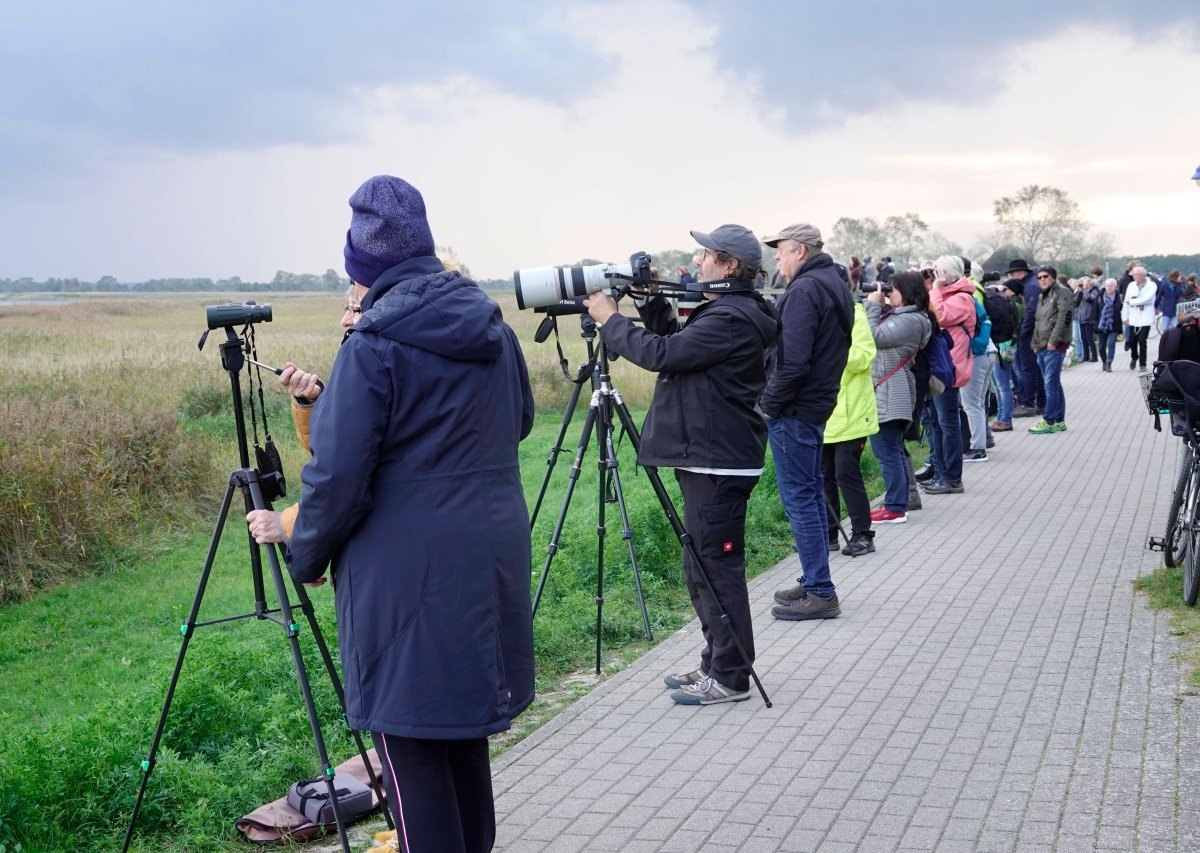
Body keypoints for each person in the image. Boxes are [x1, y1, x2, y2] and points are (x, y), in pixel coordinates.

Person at [247, 175, 535, 853]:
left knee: (409, 754)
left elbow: (336, 479)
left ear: (361, 269)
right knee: (463, 742)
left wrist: (303, 555)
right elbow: (518, 419)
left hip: (407, 587)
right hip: (487, 562)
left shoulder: (373, 346)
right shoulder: (490, 327)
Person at [583, 224, 778, 706]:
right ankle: (718, 659)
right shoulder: (729, 313)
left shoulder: (733, 317)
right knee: (702, 565)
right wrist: (650, 302)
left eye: (707, 256)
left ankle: (731, 676)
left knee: (716, 568)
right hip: (711, 458)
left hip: (719, 462)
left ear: (729, 265)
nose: (698, 264)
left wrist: (611, 319)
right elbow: (680, 344)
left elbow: (661, 353)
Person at [760, 223, 853, 622]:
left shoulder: (805, 289)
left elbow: (792, 361)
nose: (776, 258)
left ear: (799, 250)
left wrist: (767, 404)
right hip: (816, 405)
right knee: (811, 495)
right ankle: (814, 577)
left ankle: (819, 590)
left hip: (796, 410)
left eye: (779, 250)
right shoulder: (833, 281)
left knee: (800, 499)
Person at [865, 272, 932, 524]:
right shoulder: (905, 317)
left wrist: (873, 305)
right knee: (892, 450)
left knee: (887, 453)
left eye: (892, 289)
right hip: (891, 391)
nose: (887, 293)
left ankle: (895, 507)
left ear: (907, 291)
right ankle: (897, 503)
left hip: (891, 394)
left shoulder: (911, 320)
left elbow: (874, 337)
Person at [821, 275, 878, 556]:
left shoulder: (855, 313)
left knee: (847, 474)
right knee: (824, 476)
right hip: (823, 414)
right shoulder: (816, 313)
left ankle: (863, 534)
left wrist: (831, 351)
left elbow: (865, 355)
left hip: (853, 412)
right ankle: (829, 534)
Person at [922, 255, 975, 494]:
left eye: (940, 272)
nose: (936, 276)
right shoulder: (946, 295)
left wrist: (934, 289)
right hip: (940, 368)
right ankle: (942, 474)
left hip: (950, 370)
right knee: (936, 424)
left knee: (947, 423)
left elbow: (940, 317)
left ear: (953, 274)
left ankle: (953, 478)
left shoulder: (962, 298)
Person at [1029, 265, 1072, 434]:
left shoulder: (1063, 292)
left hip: (1054, 345)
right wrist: (1034, 343)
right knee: (1053, 383)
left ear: (1053, 277)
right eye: (1039, 277)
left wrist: (1053, 341)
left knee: (1050, 385)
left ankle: (1049, 420)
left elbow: (1063, 319)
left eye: (1045, 276)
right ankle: (1059, 420)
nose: (1042, 279)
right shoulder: (1042, 296)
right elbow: (1038, 321)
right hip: (1041, 345)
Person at [1006, 259, 1044, 418]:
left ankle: (1028, 403)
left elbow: (1031, 314)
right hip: (1032, 332)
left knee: (1028, 369)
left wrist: (1024, 334)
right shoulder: (1031, 285)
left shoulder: (1031, 287)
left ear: (1021, 272)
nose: (1012, 276)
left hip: (1028, 334)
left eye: (1013, 273)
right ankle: (1041, 402)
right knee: (1034, 369)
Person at [1124, 265, 1157, 371]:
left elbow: (1146, 299)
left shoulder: (1152, 285)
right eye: (1133, 274)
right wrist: (1124, 316)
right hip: (1133, 318)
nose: (1134, 276)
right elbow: (1126, 301)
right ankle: (1134, 357)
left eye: (1136, 274)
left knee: (1142, 341)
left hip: (1145, 318)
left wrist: (1132, 302)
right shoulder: (1131, 285)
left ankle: (1143, 364)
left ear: (1142, 275)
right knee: (1132, 341)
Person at [1095, 278, 1122, 372]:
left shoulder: (1119, 298)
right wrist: (1094, 324)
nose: (1109, 288)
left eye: (1111, 286)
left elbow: (1122, 311)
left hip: (1114, 326)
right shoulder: (1099, 297)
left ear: (1115, 287)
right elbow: (1094, 312)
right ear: (1105, 287)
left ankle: (1109, 362)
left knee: (1111, 344)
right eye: (1107, 286)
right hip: (1101, 326)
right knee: (1101, 347)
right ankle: (1104, 362)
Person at [1076, 276, 1100, 363]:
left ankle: (1094, 357)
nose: (1083, 285)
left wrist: (1085, 290)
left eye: (1085, 283)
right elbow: (1076, 302)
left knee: (1090, 338)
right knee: (1083, 338)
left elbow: (1090, 299)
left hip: (1089, 318)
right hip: (1082, 318)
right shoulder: (1084, 291)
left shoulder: (1095, 291)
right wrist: (1080, 291)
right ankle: (1086, 356)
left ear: (1089, 283)